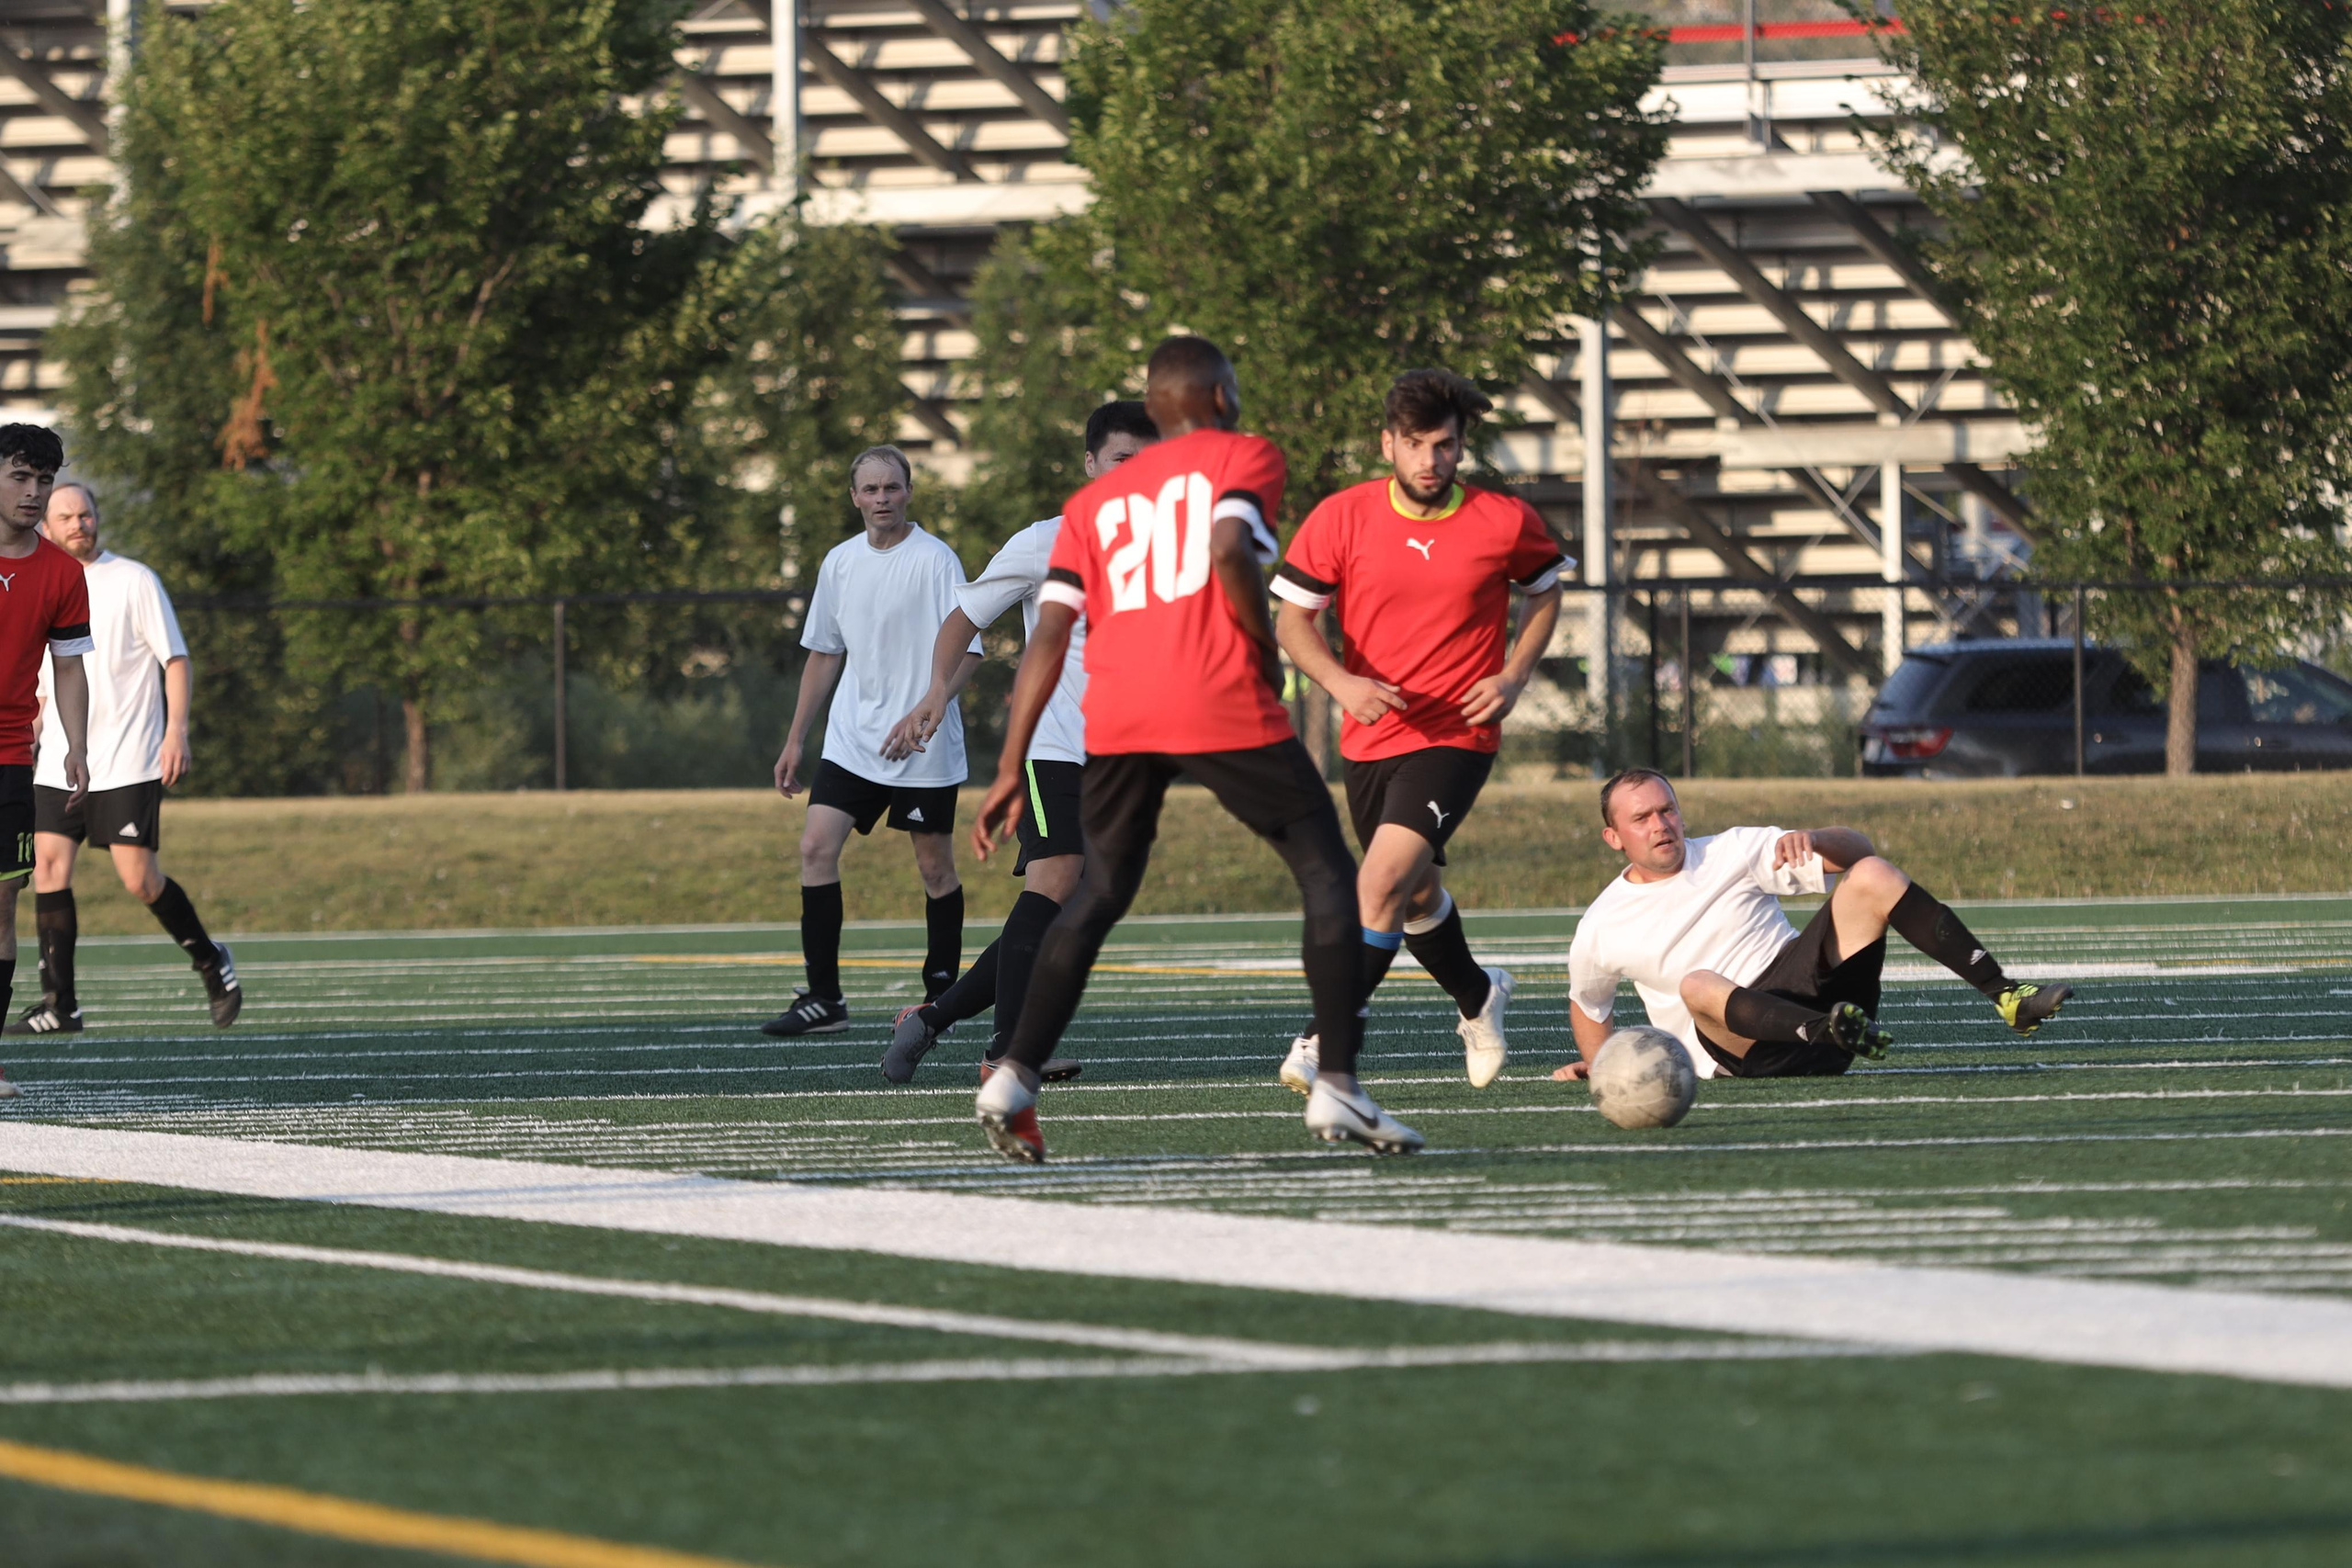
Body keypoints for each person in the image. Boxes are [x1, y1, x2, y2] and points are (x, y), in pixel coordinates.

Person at [968, 335, 1420, 1163]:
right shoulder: (1242, 454)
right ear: (1216, 395)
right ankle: (1340, 1086)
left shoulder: (1091, 504)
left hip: (1117, 712)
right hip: (1213, 696)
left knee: (1097, 890)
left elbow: (1048, 637)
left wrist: (1009, 765)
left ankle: (1012, 1076)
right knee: (1325, 871)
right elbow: (1223, 547)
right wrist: (1256, 640)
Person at [1271, 370, 1566, 1095]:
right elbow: (1291, 622)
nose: (1430, 460)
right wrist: (1340, 682)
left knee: (1376, 885)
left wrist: (1514, 676)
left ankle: (1323, 1037)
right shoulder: (1342, 517)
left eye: (1444, 445)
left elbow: (1546, 591)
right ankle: (1479, 994)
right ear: (1387, 444)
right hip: (1368, 741)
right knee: (1414, 896)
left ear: (1462, 447)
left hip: (1456, 738)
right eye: (1414, 445)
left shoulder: (1504, 519)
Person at [876, 400, 1159, 1086]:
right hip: (1054, 743)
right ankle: (1008, 1051)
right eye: (1124, 461)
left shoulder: (1167, 546)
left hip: (1126, 756)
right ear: (1091, 465)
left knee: (1074, 901)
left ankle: (932, 1018)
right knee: (1056, 880)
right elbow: (965, 616)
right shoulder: (1046, 540)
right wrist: (937, 692)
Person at [1558, 769, 2073, 1083]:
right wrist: (1607, 1070)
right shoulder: (1603, 922)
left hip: (1820, 999)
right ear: (1613, 837)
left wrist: (1815, 836)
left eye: (1666, 810)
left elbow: (1861, 852)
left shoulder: (1732, 850)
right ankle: (1830, 1031)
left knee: (1871, 874)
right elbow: (1588, 1003)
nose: (1660, 825)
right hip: (1744, 1050)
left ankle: (2008, 995)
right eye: (1642, 818)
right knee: (1697, 983)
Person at [6, 482, 239, 1035]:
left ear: (97, 518)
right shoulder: (41, 579)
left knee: (139, 879)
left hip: (129, 757)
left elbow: (175, 658)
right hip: (61, 761)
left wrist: (175, 730)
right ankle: (61, 1004)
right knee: (48, 870)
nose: (77, 524)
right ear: (47, 525)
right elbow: (45, 681)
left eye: (85, 514)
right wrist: (32, 730)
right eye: (65, 516)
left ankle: (210, 959)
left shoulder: (134, 579)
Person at [765, 446, 980, 1038]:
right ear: (854, 496)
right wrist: (795, 740)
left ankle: (940, 1003)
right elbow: (824, 653)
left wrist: (927, 708)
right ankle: (825, 1001)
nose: (882, 498)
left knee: (934, 869)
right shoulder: (838, 563)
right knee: (815, 848)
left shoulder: (936, 560)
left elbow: (970, 652)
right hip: (852, 742)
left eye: (892, 488)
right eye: (871, 489)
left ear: (909, 491)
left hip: (921, 745)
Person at [0, 426, 91, 1099]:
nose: (33, 493)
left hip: (8, 757)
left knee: (1, 900)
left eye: (44, 480)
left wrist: (77, 745)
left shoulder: (63, 573)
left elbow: (68, 667)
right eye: (20, 478)